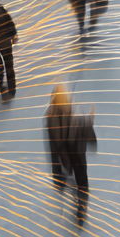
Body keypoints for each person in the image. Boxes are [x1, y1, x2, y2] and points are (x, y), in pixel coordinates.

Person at [46, 87, 98, 227]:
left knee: (74, 178)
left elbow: (52, 144)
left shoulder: (51, 117)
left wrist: (55, 168)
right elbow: (86, 127)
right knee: (81, 180)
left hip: (65, 155)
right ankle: (81, 207)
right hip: (77, 152)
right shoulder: (75, 113)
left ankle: (79, 201)